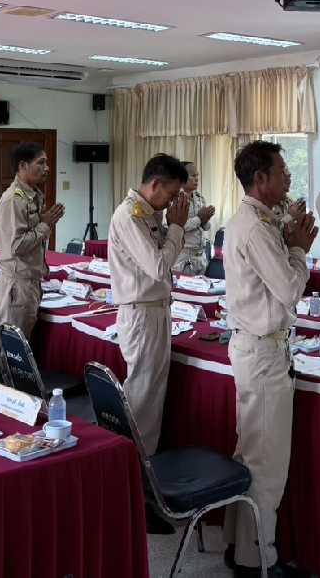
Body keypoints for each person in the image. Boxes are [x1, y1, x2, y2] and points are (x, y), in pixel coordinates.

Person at [222, 140, 316, 578]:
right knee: (267, 464)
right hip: (262, 352)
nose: (288, 177)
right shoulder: (256, 227)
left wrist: (290, 236)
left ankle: (241, 546)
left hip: (257, 347)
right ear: (260, 179)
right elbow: (290, 288)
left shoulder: (258, 219)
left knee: (252, 453)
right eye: (282, 171)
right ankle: (258, 559)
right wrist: (298, 249)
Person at [109, 155, 188, 466]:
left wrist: (172, 228)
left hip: (155, 309)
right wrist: (177, 228)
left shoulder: (148, 213)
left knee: (152, 394)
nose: (171, 203)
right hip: (142, 314)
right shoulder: (130, 215)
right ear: (155, 184)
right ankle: (135, 466)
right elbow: (158, 266)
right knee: (142, 395)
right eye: (170, 194)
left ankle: (144, 463)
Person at [0, 143, 64, 337]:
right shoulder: (14, 199)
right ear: (23, 166)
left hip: (30, 282)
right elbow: (17, 245)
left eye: (46, 163)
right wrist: (45, 224)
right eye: (40, 163)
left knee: (24, 346)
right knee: (14, 349)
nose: (46, 168)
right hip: (18, 284)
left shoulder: (34, 195)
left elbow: (33, 236)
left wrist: (44, 223)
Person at [172, 161, 214, 275]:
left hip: (200, 256)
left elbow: (206, 227)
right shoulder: (175, 199)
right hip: (184, 257)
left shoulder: (200, 198)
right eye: (193, 175)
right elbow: (177, 226)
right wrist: (200, 219)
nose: (197, 179)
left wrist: (206, 219)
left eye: (197, 175)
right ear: (182, 177)